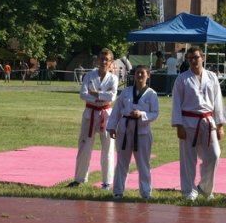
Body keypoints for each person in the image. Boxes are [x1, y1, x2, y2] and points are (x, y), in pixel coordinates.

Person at [171, 46, 224, 201]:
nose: (193, 60)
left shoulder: (212, 77)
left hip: (208, 121)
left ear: (203, 58)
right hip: (188, 122)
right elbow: (176, 103)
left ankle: (205, 188)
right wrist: (178, 125)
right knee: (188, 159)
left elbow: (218, 102)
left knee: (214, 155)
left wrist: (220, 125)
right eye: (190, 58)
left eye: (196, 57)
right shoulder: (182, 79)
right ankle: (188, 191)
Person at [67, 48, 118, 189]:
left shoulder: (113, 78)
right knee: (84, 146)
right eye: (101, 58)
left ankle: (107, 182)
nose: (103, 61)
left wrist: (95, 94)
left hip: (106, 115)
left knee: (108, 149)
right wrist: (100, 97)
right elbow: (83, 94)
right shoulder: (89, 76)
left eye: (106, 59)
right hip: (90, 114)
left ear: (111, 62)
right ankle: (79, 179)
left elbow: (112, 97)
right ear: (97, 60)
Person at [107, 66, 159, 199]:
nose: (140, 75)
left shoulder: (151, 94)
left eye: (143, 73)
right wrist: (112, 126)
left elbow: (155, 113)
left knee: (143, 163)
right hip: (124, 129)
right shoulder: (126, 91)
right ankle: (118, 191)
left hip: (142, 131)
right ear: (134, 75)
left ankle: (146, 192)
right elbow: (117, 110)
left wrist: (141, 114)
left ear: (148, 75)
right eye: (138, 73)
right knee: (122, 163)